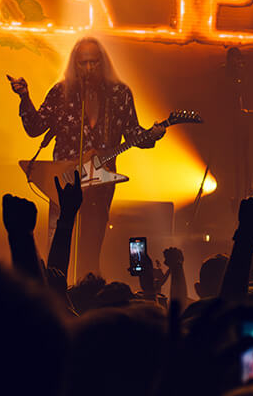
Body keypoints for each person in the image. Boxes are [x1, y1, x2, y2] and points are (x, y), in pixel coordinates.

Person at [9, 37, 167, 279]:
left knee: (92, 244)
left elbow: (133, 134)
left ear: (103, 62)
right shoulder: (61, 92)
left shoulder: (119, 94)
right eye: (83, 63)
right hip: (65, 180)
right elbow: (35, 127)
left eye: (94, 62)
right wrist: (24, 97)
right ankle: (57, 289)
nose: (89, 68)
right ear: (75, 64)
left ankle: (87, 287)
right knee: (60, 240)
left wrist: (153, 134)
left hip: (101, 183)